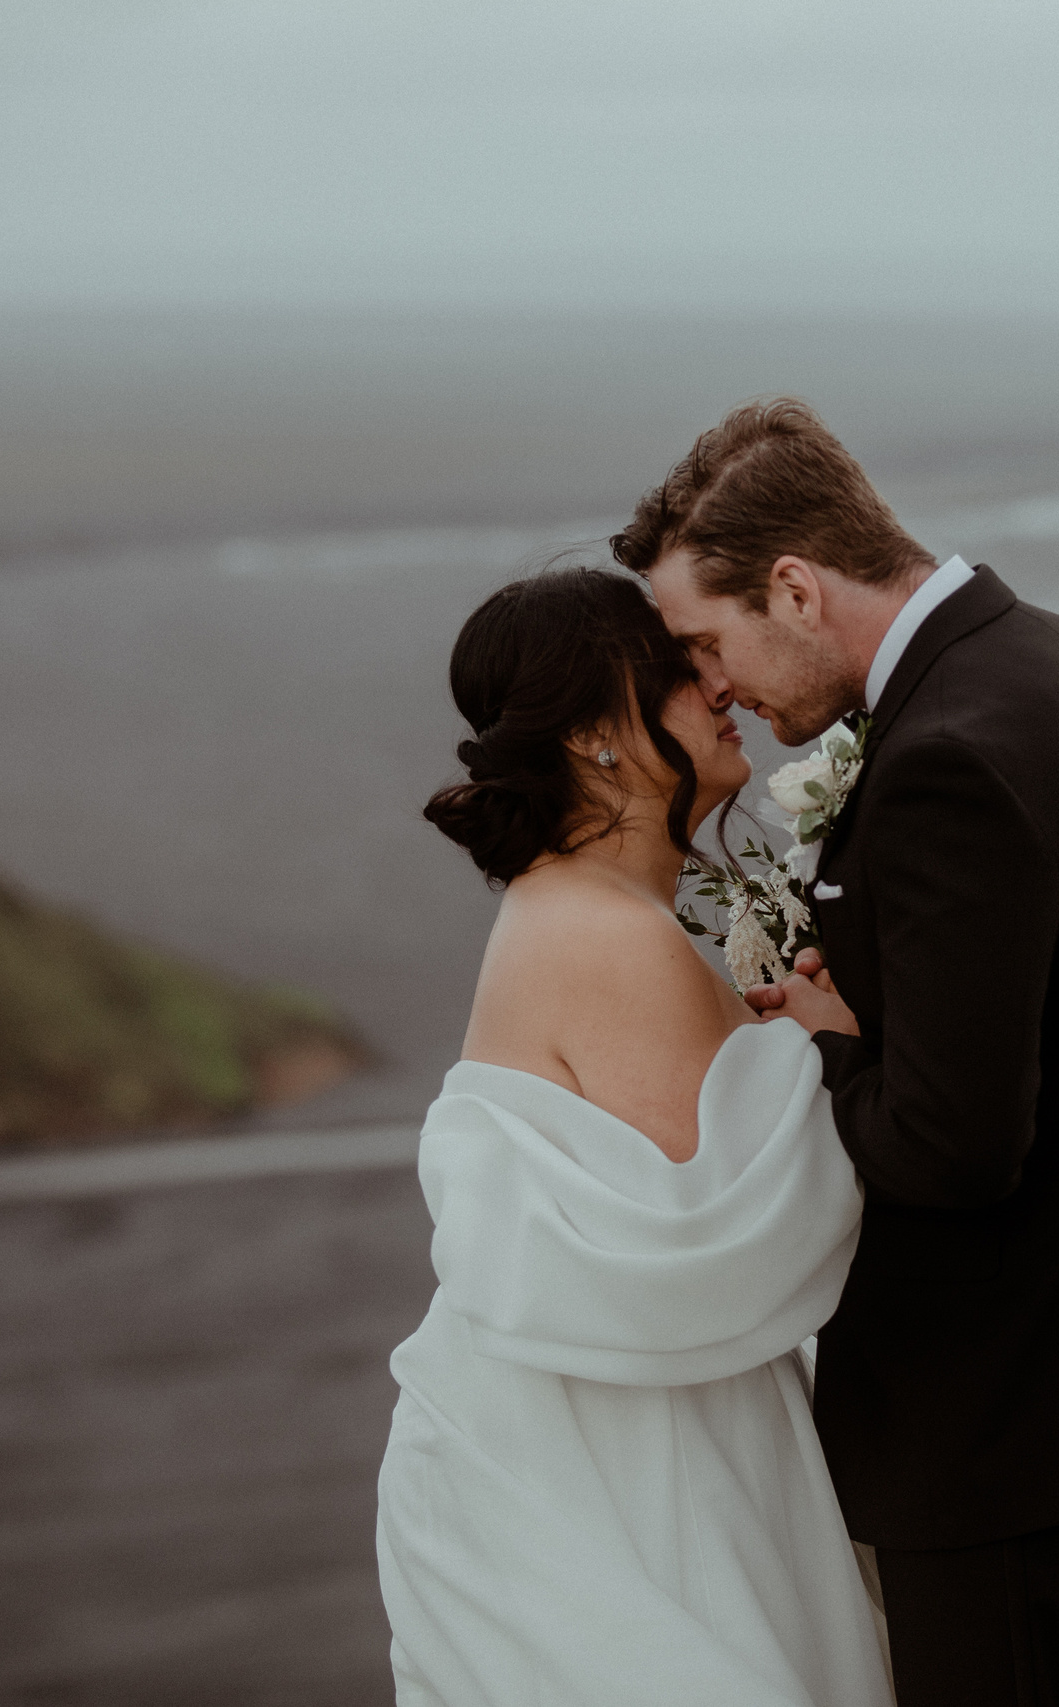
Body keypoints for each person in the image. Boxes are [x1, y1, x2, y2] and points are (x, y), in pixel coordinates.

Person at [615, 399, 1059, 1707]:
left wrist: (817, 1045)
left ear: (795, 588)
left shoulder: (949, 760)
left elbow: (953, 1145)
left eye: (708, 642)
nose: (717, 688)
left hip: (1024, 1417)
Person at [375, 568, 895, 1707]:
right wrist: (836, 1048)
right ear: (588, 736)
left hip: (617, 1426)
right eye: (673, 671)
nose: (719, 685)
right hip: (613, 1476)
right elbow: (719, 1238)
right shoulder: (610, 936)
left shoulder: (593, 911)